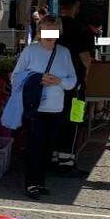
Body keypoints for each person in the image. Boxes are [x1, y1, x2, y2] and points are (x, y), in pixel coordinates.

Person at [10, 15, 78, 199]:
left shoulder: (64, 53)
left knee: (48, 148)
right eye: (46, 30)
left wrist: (59, 81)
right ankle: (31, 183)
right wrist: (36, 79)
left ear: (58, 33)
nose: (49, 35)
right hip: (35, 109)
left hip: (56, 109)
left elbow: (72, 81)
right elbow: (15, 77)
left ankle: (40, 181)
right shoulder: (30, 52)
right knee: (35, 147)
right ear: (40, 31)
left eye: (53, 30)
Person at [53, 0, 94, 176]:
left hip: (52, 83)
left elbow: (41, 43)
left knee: (54, 120)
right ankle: (67, 163)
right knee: (74, 121)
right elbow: (85, 58)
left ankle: (53, 158)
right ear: (77, 5)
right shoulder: (82, 28)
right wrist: (87, 79)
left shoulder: (52, 25)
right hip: (75, 84)